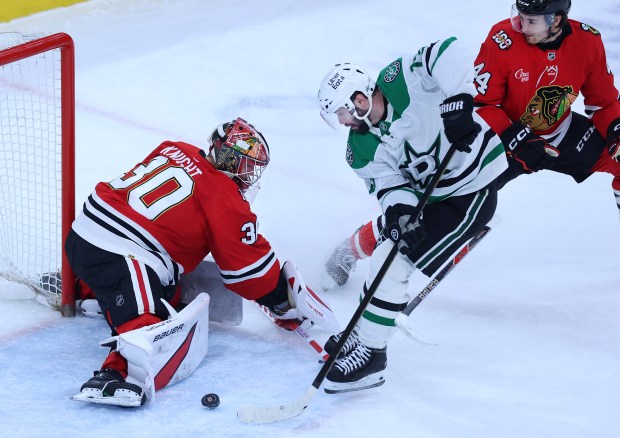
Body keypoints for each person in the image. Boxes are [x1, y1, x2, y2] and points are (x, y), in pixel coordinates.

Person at [321, 0, 620, 291]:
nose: (521, 25)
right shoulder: (502, 40)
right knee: (425, 210)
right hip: (500, 140)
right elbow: (481, 102)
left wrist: (615, 127)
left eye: (532, 20)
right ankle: (355, 247)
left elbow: (604, 102)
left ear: (556, 19)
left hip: (560, 133)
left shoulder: (587, 42)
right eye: (520, 15)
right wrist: (514, 136)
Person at [65, 117, 338, 407]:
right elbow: (246, 269)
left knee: (168, 288)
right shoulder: (223, 194)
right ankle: (117, 375)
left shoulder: (174, 147)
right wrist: (281, 299)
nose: (249, 175)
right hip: (124, 256)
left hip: (82, 234)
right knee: (152, 325)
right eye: (246, 165)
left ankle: (88, 289)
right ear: (229, 158)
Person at [316, 37, 508, 393]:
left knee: (393, 261)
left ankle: (372, 355)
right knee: (388, 249)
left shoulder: (401, 79)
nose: (342, 122)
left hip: (473, 190)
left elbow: (451, 50)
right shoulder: (358, 148)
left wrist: (459, 101)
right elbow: (388, 185)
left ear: (359, 100)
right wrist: (400, 211)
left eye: (342, 113)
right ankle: (362, 333)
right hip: (432, 197)